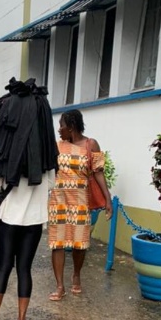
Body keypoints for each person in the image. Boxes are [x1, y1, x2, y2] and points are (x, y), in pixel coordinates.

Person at [0, 77, 58, 320]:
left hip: (8, 219)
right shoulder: (47, 156)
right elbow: (51, 185)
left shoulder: (4, 154)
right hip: (34, 221)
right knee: (25, 269)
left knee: (4, 267)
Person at [46, 110, 112, 300]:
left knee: (79, 244)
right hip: (58, 200)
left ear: (71, 127)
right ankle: (60, 286)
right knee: (57, 243)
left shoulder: (91, 144)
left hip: (81, 200)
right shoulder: (57, 146)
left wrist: (107, 199)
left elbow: (98, 172)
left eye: (62, 125)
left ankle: (76, 274)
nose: (59, 130)